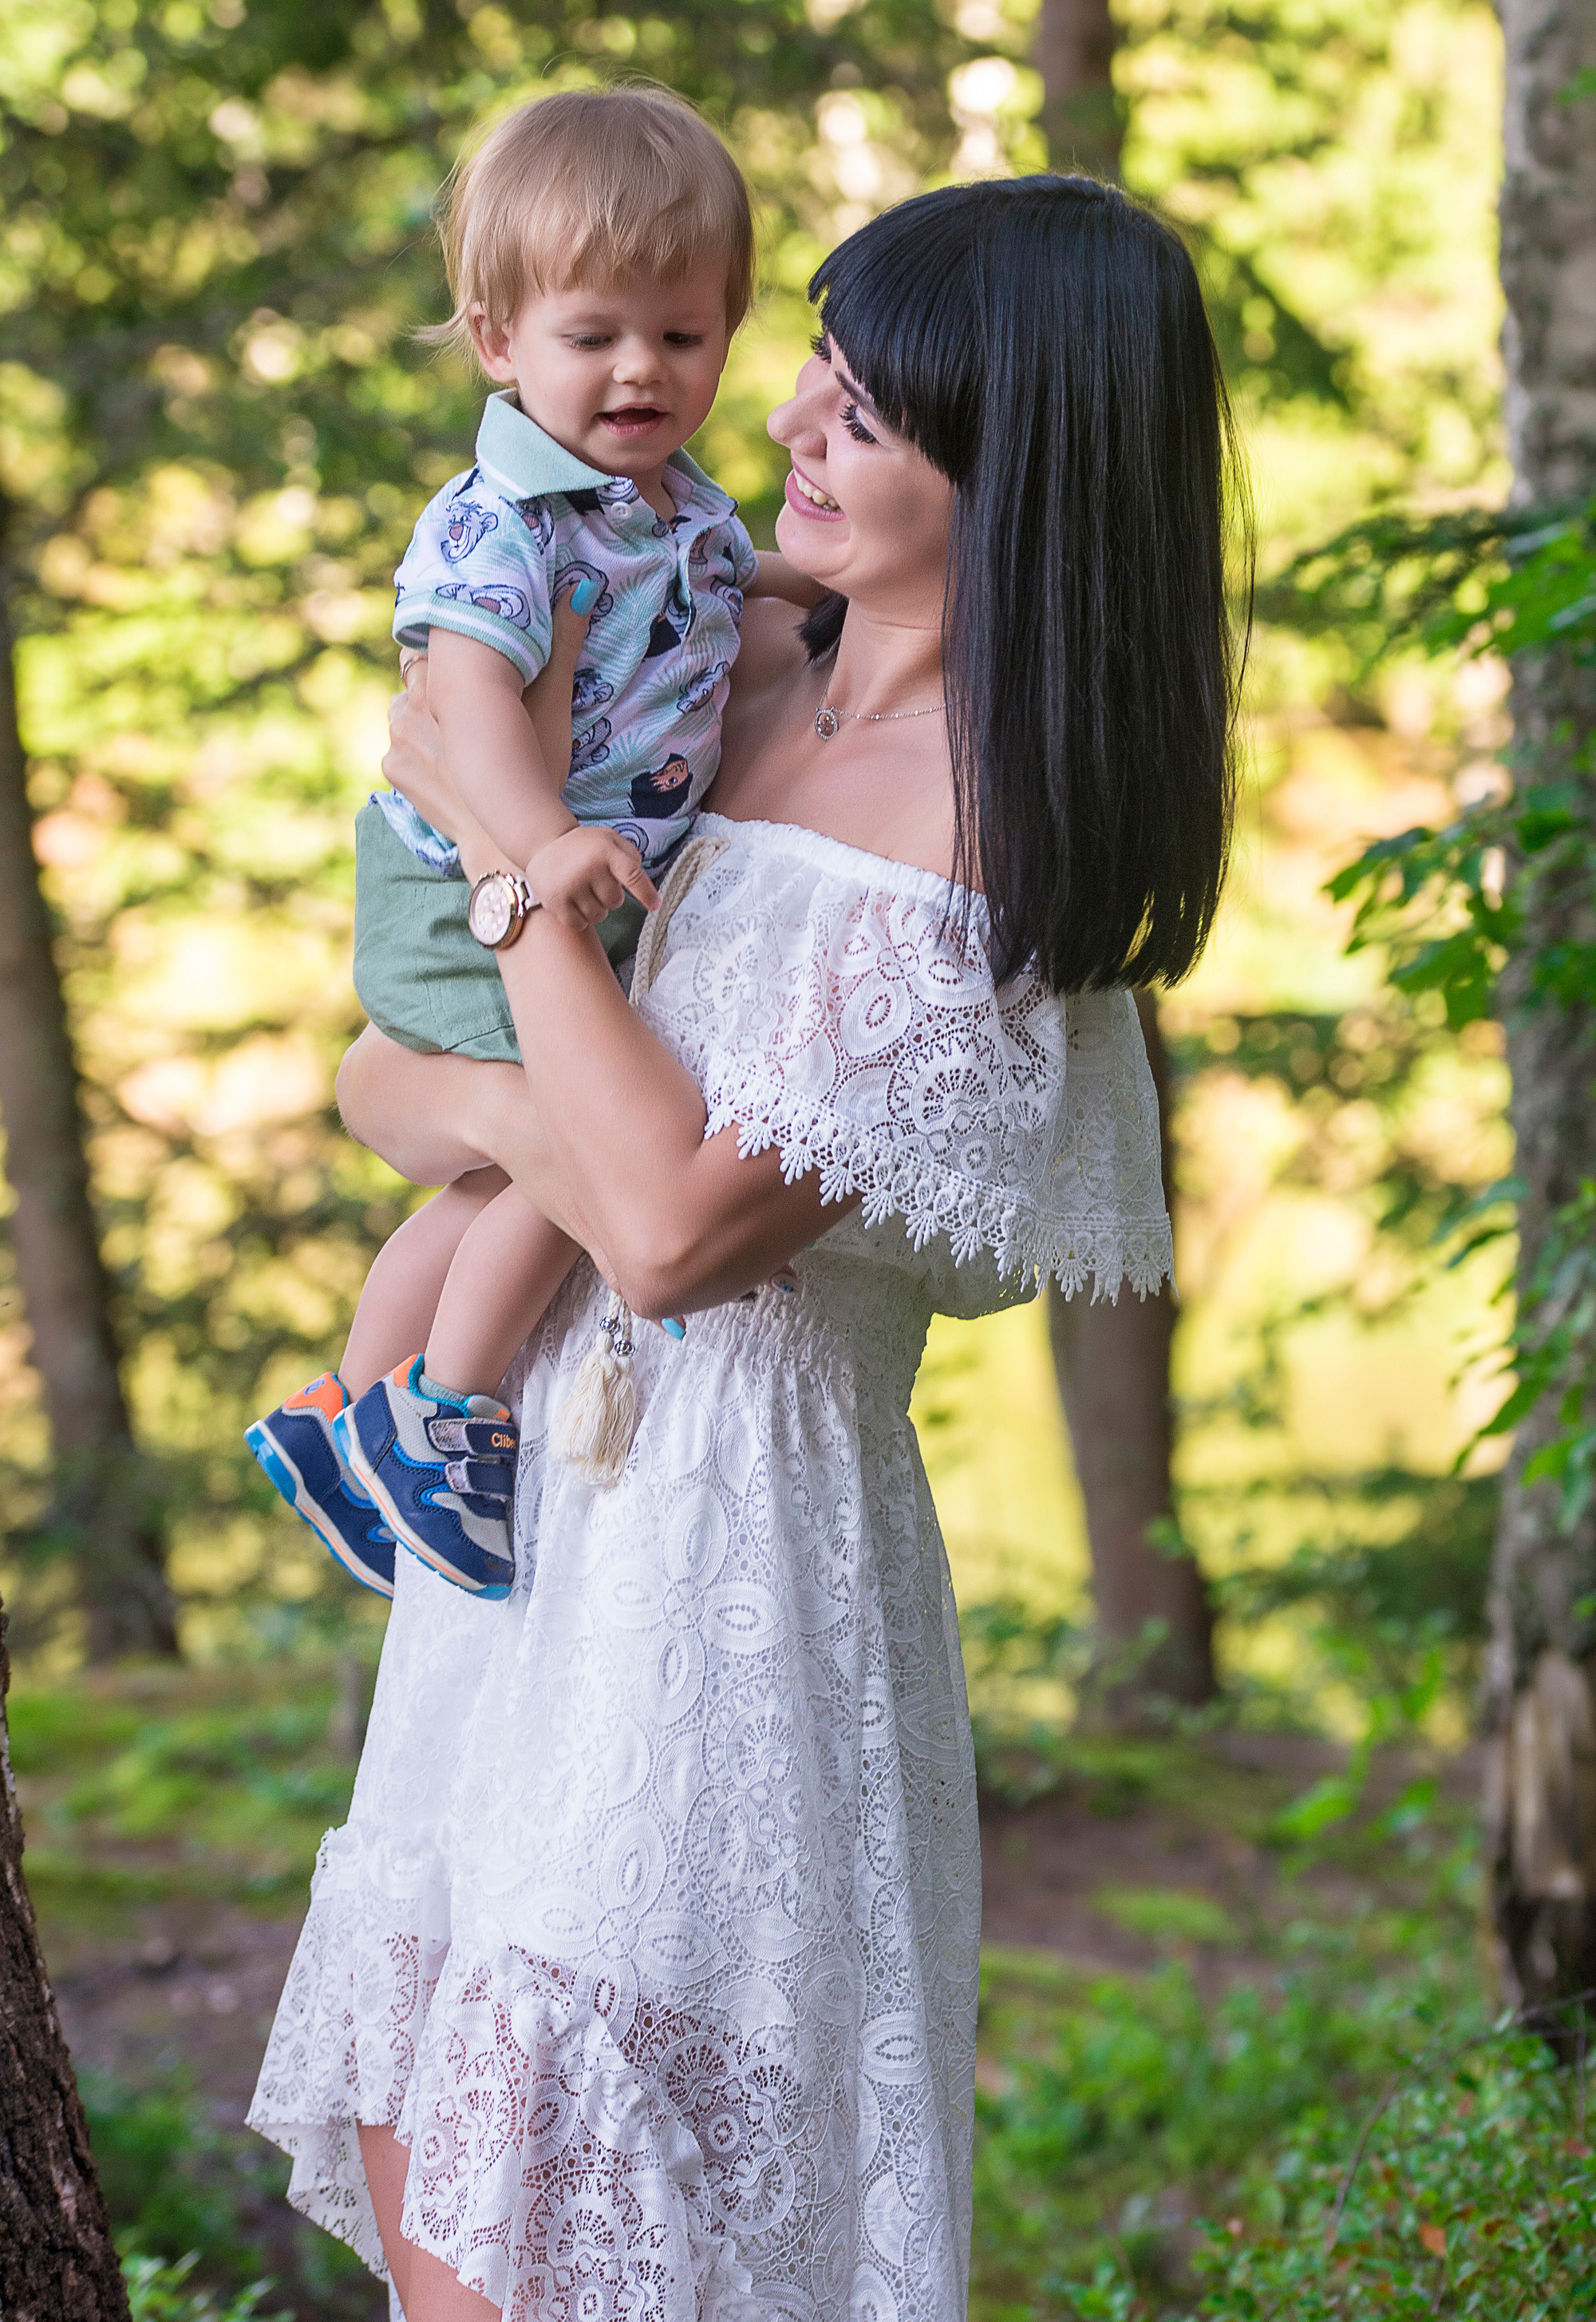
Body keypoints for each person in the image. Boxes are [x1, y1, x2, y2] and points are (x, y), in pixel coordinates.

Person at [248, 172, 1247, 2321]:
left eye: (862, 413)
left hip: (728, 1590)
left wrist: (510, 865)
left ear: (1017, 474)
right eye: (813, 361)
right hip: (516, 1530)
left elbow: (673, 1235)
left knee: (614, 2240)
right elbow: (384, 1080)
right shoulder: (717, 663)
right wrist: (512, 1060)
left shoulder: (1000, 848)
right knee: (447, 2233)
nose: (783, 417)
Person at [244, 85, 816, 1604]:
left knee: (501, 1177)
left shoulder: (672, 503)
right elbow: (467, 704)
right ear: (499, 339)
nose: (643, 369)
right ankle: (440, 1410)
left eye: (683, 334)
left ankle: (345, 1409)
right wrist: (539, 839)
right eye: (595, 334)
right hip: (466, 886)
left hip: (560, 883)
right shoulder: (508, 522)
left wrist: (806, 587)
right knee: (569, 1162)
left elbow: (722, 578)